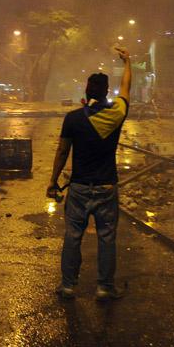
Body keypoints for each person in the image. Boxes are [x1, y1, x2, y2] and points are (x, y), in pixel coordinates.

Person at [48, 46, 132, 301]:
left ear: (86, 91)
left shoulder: (73, 119)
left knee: (73, 237)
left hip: (79, 188)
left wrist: (52, 182)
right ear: (107, 92)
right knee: (107, 239)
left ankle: (68, 286)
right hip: (107, 188)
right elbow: (127, 89)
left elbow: (62, 152)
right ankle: (105, 287)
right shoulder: (116, 113)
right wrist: (128, 61)